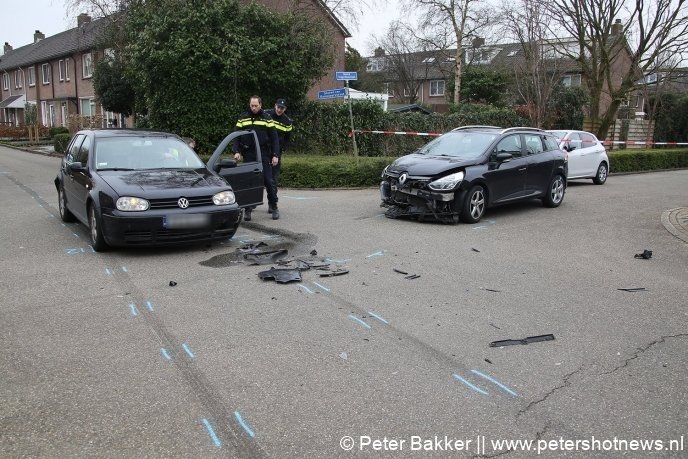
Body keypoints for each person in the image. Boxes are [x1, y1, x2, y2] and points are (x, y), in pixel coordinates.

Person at [232, 95, 280, 220]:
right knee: (249, 182)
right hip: (249, 153)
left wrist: (275, 155)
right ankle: (248, 209)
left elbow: (274, 138)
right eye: (251, 105)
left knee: (268, 180)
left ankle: (274, 205)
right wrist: (237, 151)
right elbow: (236, 135)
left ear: (260, 105)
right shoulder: (243, 117)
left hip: (264, 153)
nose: (253, 108)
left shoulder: (267, 118)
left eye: (256, 106)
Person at [265, 99, 293, 201]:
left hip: (276, 152)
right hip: (263, 149)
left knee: (273, 178)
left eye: (282, 108)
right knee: (258, 176)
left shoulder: (287, 121)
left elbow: (288, 138)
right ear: (275, 106)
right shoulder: (266, 114)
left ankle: (272, 202)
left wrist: (282, 148)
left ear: (285, 109)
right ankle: (253, 201)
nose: (280, 110)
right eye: (278, 107)